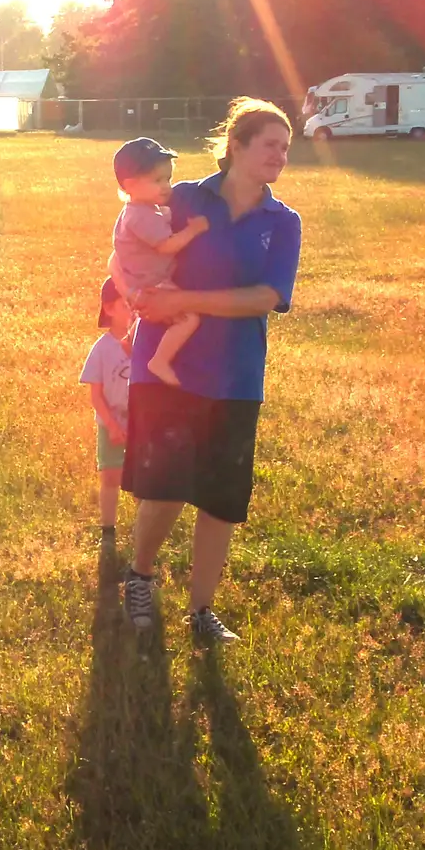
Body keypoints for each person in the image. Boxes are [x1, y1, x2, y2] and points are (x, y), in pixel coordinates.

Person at [121, 98, 301, 645]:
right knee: (167, 486)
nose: (280, 156)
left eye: (286, 149)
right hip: (168, 367)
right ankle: (139, 578)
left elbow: (267, 296)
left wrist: (190, 299)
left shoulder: (283, 221)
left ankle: (202, 611)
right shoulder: (183, 198)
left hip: (236, 375)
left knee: (221, 497)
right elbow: (128, 238)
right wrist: (134, 293)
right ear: (236, 147)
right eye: (269, 144)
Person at [108, 137, 209, 386]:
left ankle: (131, 336)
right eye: (157, 180)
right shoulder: (141, 217)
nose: (166, 187)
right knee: (189, 319)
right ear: (130, 185)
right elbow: (167, 246)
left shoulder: (140, 211)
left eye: (168, 179)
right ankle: (160, 360)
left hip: (142, 280)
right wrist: (194, 231)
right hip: (153, 284)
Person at [80, 277, 134, 540]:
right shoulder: (101, 349)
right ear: (110, 308)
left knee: (140, 481)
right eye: (127, 305)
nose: (133, 312)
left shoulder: (143, 346)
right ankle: (108, 529)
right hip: (110, 424)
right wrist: (112, 425)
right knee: (111, 477)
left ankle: (143, 528)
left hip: (141, 425)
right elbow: (96, 395)